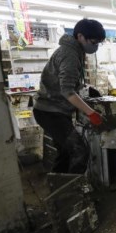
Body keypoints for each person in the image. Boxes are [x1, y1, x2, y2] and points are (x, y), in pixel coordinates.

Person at [33, 18, 106, 174]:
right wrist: (91, 113)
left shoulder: (74, 50)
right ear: (80, 36)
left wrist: (85, 89)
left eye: (99, 43)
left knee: (66, 152)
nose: (96, 47)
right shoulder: (70, 54)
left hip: (55, 110)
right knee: (79, 151)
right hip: (50, 112)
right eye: (93, 42)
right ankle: (73, 191)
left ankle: (60, 188)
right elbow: (67, 91)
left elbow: (67, 82)